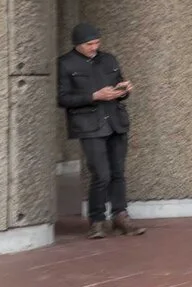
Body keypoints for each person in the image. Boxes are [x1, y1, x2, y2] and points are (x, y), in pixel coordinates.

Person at [56, 23, 144, 240]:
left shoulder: (109, 59)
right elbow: (62, 98)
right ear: (77, 44)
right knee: (101, 174)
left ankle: (121, 216)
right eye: (89, 44)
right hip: (90, 126)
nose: (94, 47)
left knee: (118, 173)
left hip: (116, 122)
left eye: (97, 42)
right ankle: (97, 220)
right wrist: (94, 96)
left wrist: (123, 91)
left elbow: (117, 87)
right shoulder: (65, 64)